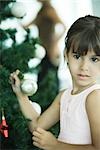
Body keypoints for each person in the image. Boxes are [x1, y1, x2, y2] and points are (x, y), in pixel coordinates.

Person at [10, 15, 100, 150]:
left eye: (94, 59)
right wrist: (21, 95)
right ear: (66, 55)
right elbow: (36, 126)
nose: (84, 67)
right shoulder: (64, 96)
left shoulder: (94, 97)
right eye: (77, 56)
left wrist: (56, 145)